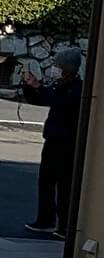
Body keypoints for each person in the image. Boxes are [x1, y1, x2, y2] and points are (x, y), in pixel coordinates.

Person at [22, 48, 84, 237]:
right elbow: (42, 98)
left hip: (67, 143)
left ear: (67, 69)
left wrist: (38, 87)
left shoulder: (77, 89)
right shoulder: (61, 85)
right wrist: (30, 86)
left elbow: (57, 101)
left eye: (58, 66)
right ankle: (45, 220)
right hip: (53, 140)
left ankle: (65, 225)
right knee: (46, 182)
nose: (54, 69)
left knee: (65, 185)